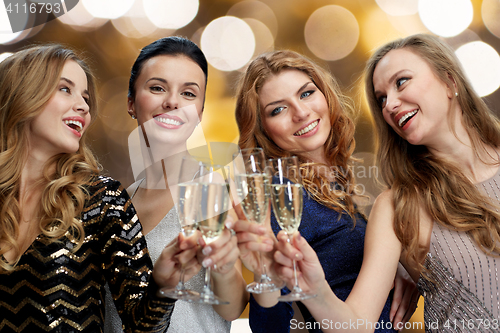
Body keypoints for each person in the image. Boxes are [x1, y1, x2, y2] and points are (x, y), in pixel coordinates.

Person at [272, 34, 500, 332]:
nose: (390, 104)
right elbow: (357, 325)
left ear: (450, 81)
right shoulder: (397, 207)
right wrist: (317, 292)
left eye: (401, 82)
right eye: (381, 98)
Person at [0, 44, 204, 332]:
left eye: (85, 97)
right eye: (65, 89)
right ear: (22, 95)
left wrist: (163, 285)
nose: (84, 106)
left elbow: (142, 326)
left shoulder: (102, 199)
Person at [233, 49, 418, 333]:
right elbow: (270, 325)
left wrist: (398, 265)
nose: (301, 112)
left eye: (306, 93)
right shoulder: (285, 198)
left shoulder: (332, 182)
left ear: (325, 95)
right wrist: (265, 274)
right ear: (263, 130)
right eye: (278, 109)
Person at [104, 36, 248, 333]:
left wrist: (222, 267)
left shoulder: (213, 187)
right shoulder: (115, 203)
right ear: (131, 102)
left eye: (188, 93)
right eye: (157, 88)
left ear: (199, 114)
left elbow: (233, 308)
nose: (172, 102)